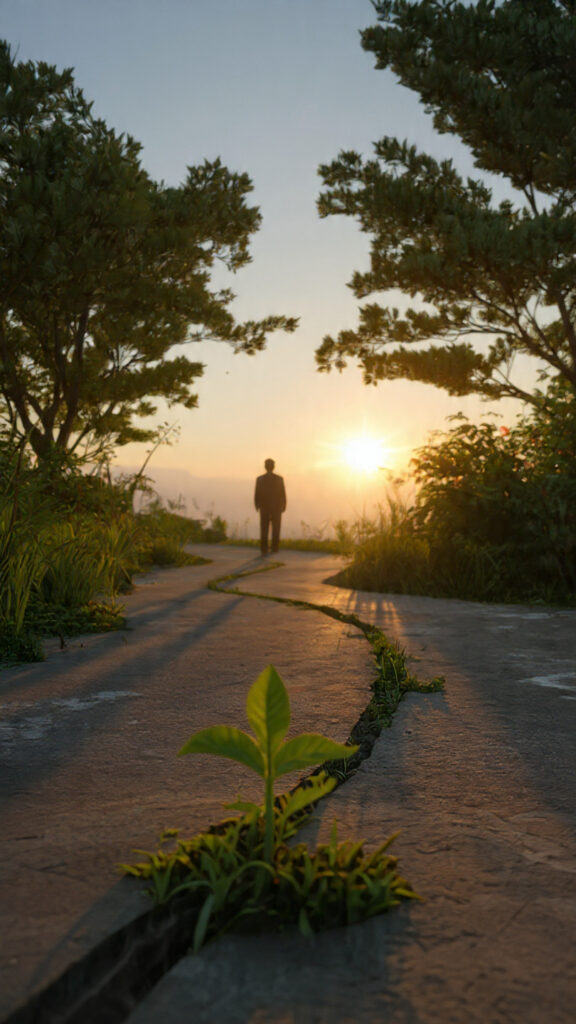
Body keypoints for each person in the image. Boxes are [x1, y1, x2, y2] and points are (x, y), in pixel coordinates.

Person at [254, 458, 287, 555]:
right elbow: (283, 493)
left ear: (265, 467)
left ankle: (264, 548)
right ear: (274, 466)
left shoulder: (259, 479)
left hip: (264, 507)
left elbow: (257, 493)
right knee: (276, 527)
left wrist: (257, 504)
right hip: (276, 507)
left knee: (264, 527)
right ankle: (274, 547)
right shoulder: (279, 479)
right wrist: (284, 504)